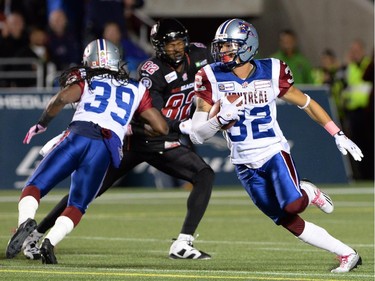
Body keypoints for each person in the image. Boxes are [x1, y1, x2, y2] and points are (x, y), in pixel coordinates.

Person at [21, 18, 215, 261]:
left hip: (165, 141)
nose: (176, 49)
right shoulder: (151, 71)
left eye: (178, 43)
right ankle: (36, 234)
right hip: (137, 140)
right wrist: (186, 125)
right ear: (157, 46)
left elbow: (216, 78)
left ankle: (183, 243)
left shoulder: (199, 54)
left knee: (204, 175)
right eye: (169, 44)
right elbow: (154, 121)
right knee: (84, 193)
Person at [190, 18, 363, 273]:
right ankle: (347, 254)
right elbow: (197, 135)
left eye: (229, 46)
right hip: (243, 163)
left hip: (272, 151)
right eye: (222, 46)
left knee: (293, 204)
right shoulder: (210, 76)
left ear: (247, 46)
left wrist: (337, 133)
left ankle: (307, 191)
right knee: (286, 220)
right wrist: (218, 120)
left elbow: (307, 103)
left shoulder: (272, 70)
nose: (223, 52)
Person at [5, 38, 169, 264]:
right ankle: (49, 242)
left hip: (79, 136)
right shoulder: (137, 88)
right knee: (78, 205)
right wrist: (129, 127)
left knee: (34, 186)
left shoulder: (87, 78)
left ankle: (26, 222)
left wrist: (42, 124)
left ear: (89, 61)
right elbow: (161, 128)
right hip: (105, 148)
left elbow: (61, 98)